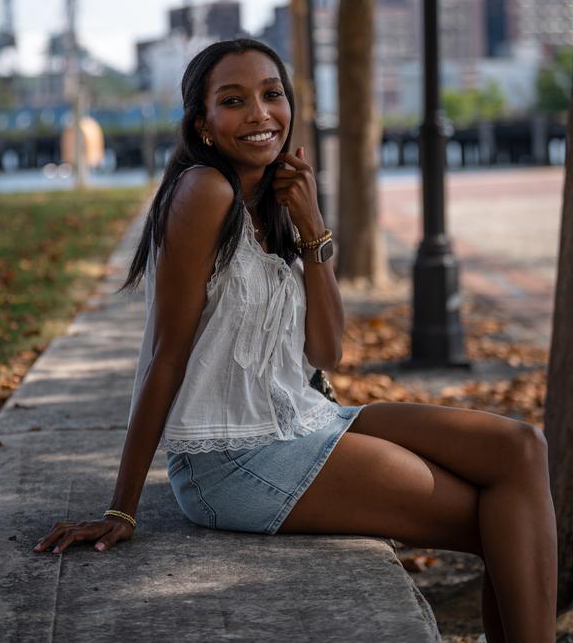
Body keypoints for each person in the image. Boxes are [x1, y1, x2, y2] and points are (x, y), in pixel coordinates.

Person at [33, 38, 557, 642]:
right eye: (234, 101)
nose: (259, 113)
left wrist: (312, 229)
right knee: (503, 518)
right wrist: (121, 508)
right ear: (203, 125)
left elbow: (326, 353)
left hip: (307, 419)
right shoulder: (206, 192)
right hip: (231, 458)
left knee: (521, 447)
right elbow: (164, 353)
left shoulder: (276, 199)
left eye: (271, 94)